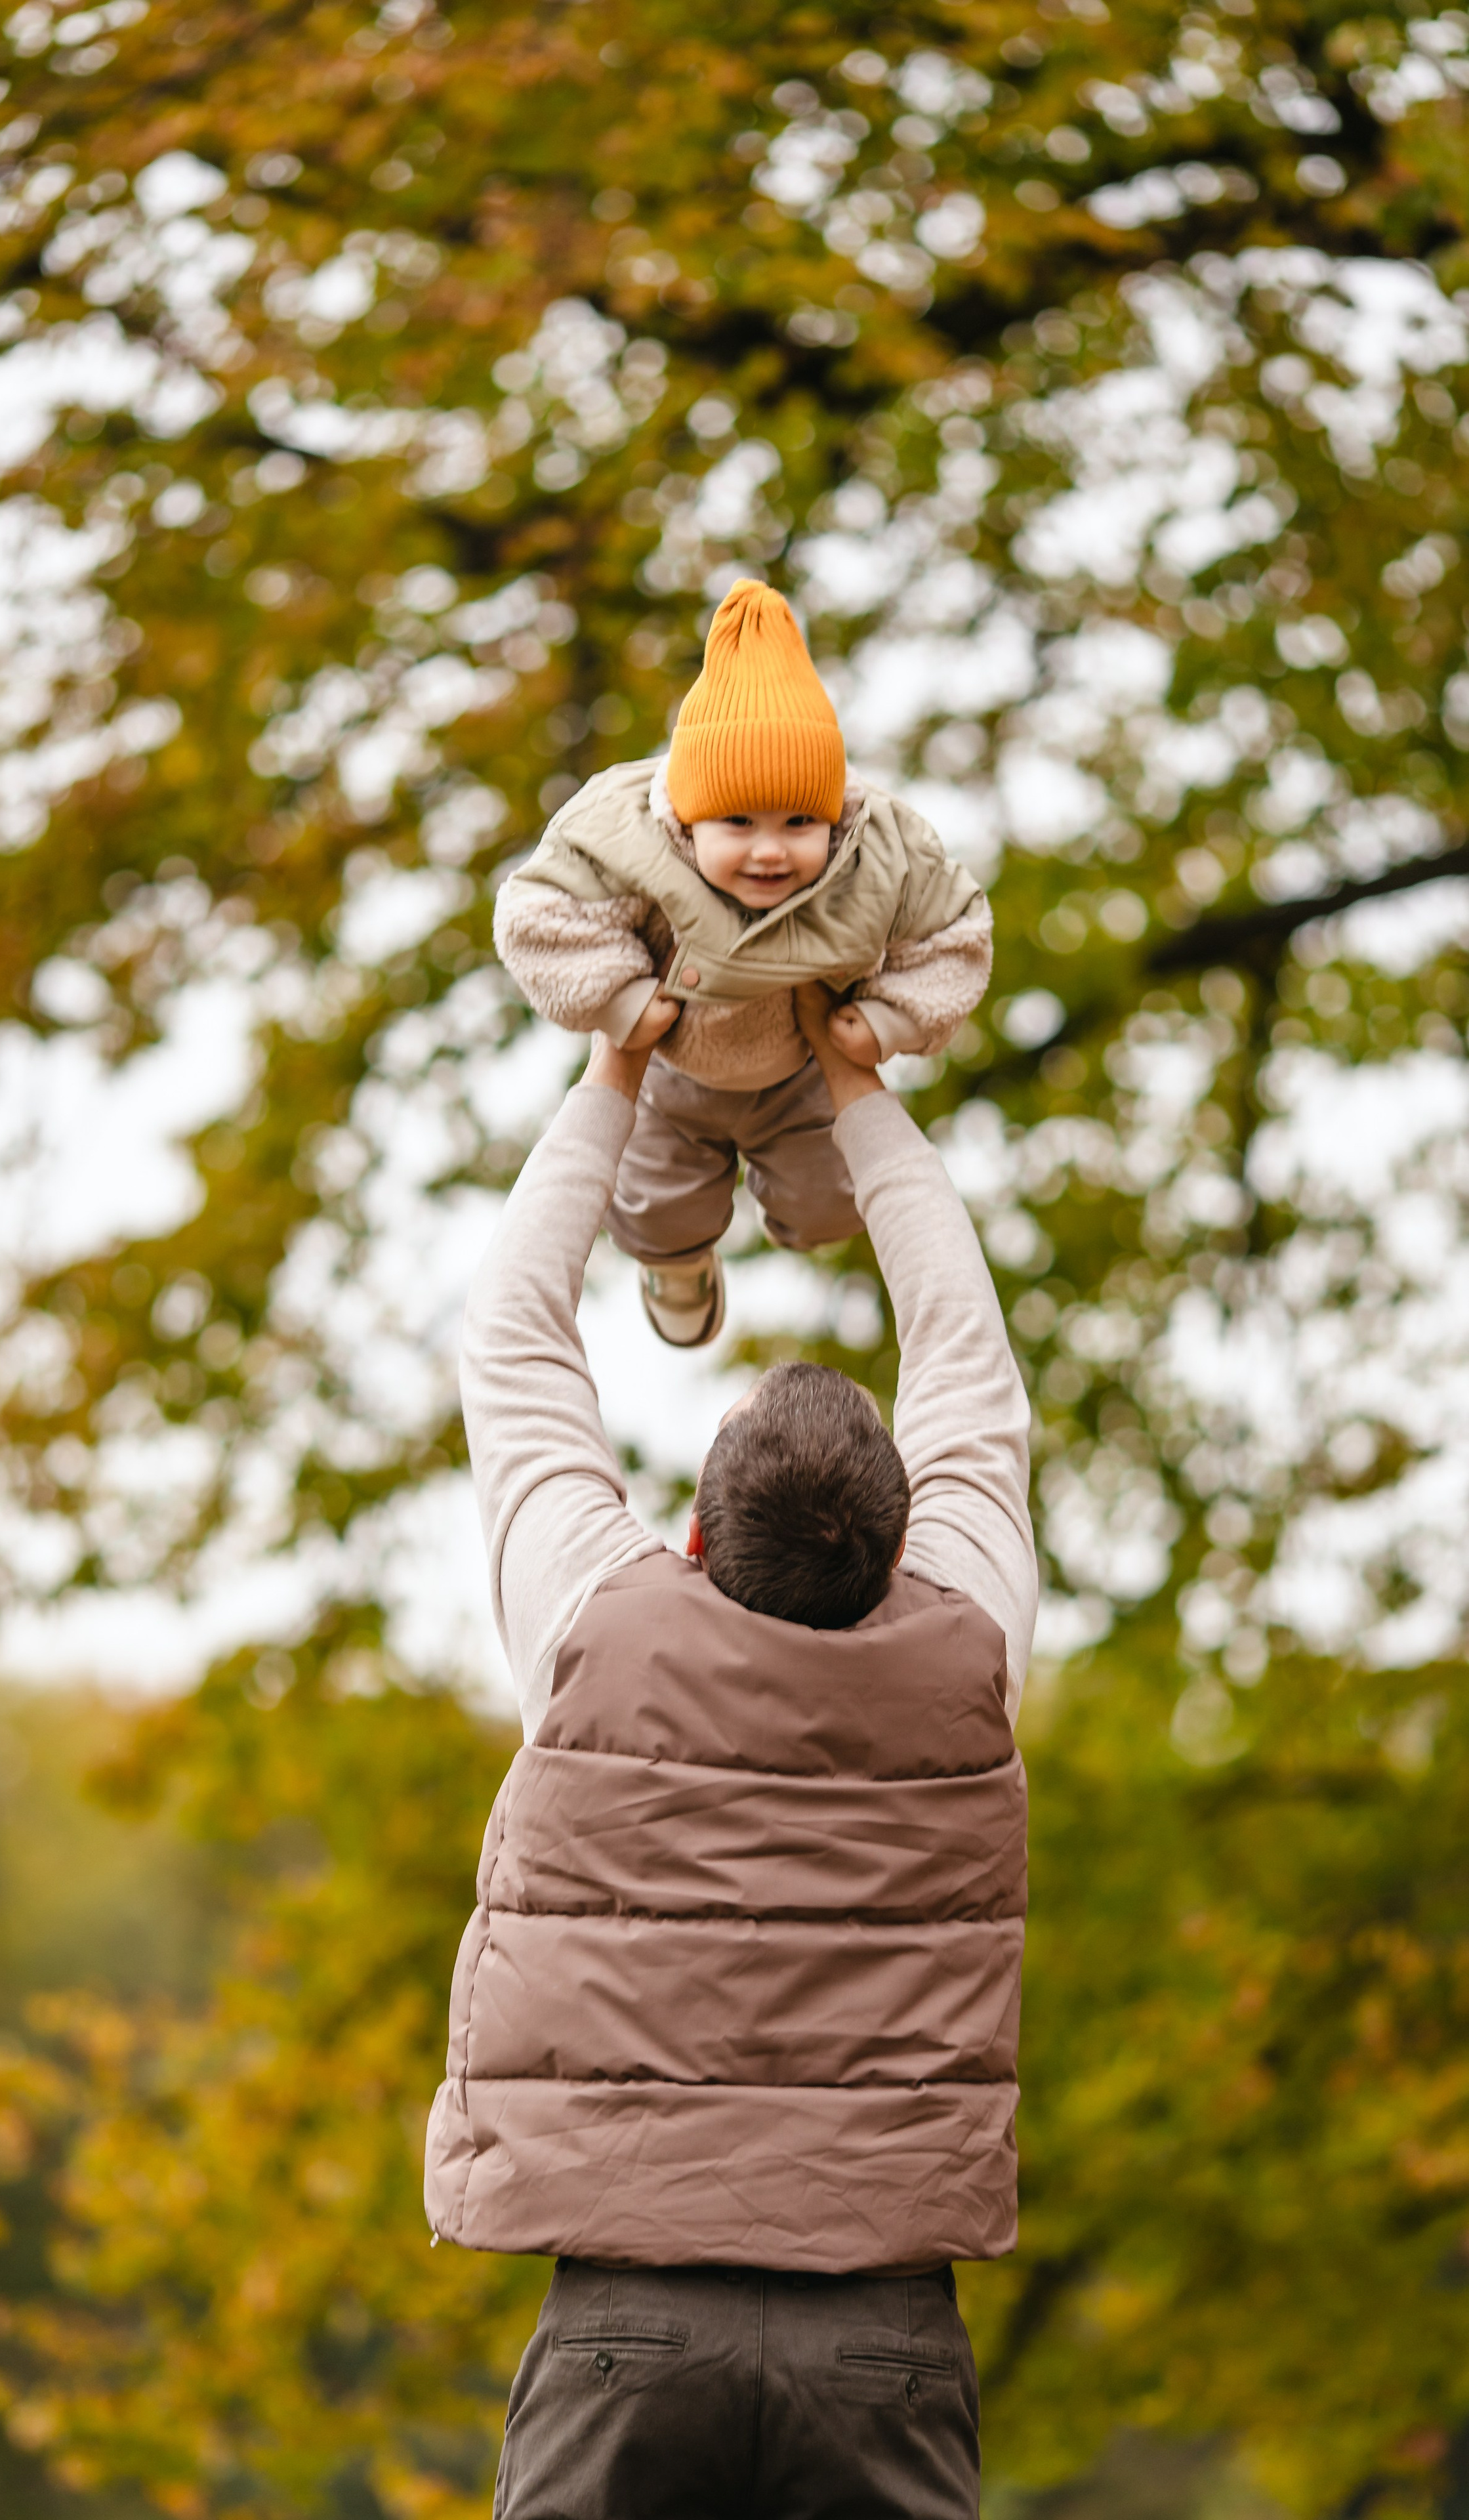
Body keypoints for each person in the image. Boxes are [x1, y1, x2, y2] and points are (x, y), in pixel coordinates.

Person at [424, 987, 1037, 2520]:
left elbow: (510, 1334)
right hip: (885, 2341)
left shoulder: (590, 1622)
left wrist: (612, 1073)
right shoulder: (968, 1643)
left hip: (626, 2325)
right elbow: (963, 1353)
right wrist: (856, 1090)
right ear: (901, 1537)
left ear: (694, 1535)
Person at [493, 578, 992, 1347]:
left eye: (798, 822)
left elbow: (954, 936)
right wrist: (619, 999)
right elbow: (538, 914)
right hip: (670, 1069)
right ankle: (677, 1263)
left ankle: (784, 1217)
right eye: (737, 822)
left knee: (831, 1204)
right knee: (658, 1210)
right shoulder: (627, 836)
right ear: (691, 819)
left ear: (832, 815)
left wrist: (889, 1020)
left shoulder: (881, 853)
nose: (769, 850)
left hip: (801, 1074)